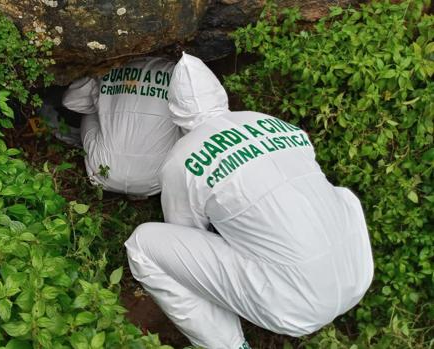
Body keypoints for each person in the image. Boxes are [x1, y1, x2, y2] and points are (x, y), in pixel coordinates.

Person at [125, 53, 374, 349]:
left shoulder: (184, 157)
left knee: (143, 246)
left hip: (293, 307)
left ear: (175, 110)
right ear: (221, 93)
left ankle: (229, 345)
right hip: (356, 275)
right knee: (338, 195)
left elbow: (186, 233)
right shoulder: (272, 122)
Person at [62, 57, 181, 197]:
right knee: (180, 119)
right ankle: (139, 192)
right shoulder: (177, 72)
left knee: (93, 111)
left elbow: (70, 101)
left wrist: (104, 104)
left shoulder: (108, 67)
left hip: (103, 172)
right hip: (155, 182)